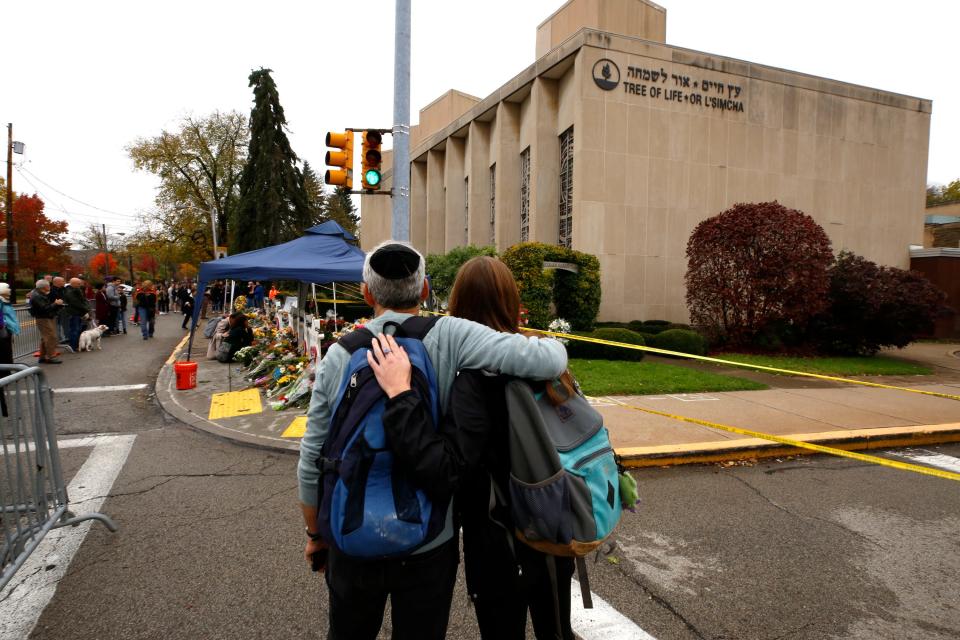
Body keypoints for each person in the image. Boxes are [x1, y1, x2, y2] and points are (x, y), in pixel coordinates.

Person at [297, 241, 568, 640]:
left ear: (367, 293)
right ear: (424, 289)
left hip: (349, 536)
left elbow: (311, 460)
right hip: (429, 539)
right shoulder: (452, 337)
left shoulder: (340, 354)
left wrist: (315, 536)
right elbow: (550, 361)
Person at [368, 256, 577, 639]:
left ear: (458, 306)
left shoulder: (468, 377)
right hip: (553, 515)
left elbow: (453, 464)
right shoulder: (540, 360)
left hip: (495, 533)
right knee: (557, 628)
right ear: (511, 300)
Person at [28, 279, 64, 364]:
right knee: (50, 337)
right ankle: (51, 356)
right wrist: (56, 303)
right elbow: (45, 308)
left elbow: (45, 307)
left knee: (46, 338)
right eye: (48, 285)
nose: (50, 287)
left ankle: (42, 356)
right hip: (43, 318)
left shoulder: (39, 294)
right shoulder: (37, 296)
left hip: (46, 317)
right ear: (44, 287)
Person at [0, 283, 21, 417]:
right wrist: (4, 325)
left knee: (7, 353)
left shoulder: (4, 301)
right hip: (3, 332)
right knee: (4, 353)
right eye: (7, 288)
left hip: (5, 332)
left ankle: (7, 374)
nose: (9, 290)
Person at [62, 277, 91, 352]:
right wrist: (86, 309)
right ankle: (73, 346)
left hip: (78, 312)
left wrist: (85, 309)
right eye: (78, 283)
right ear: (73, 283)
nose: (80, 285)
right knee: (75, 330)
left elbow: (83, 300)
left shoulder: (76, 290)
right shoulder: (70, 291)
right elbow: (76, 303)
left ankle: (79, 345)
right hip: (74, 313)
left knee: (78, 329)